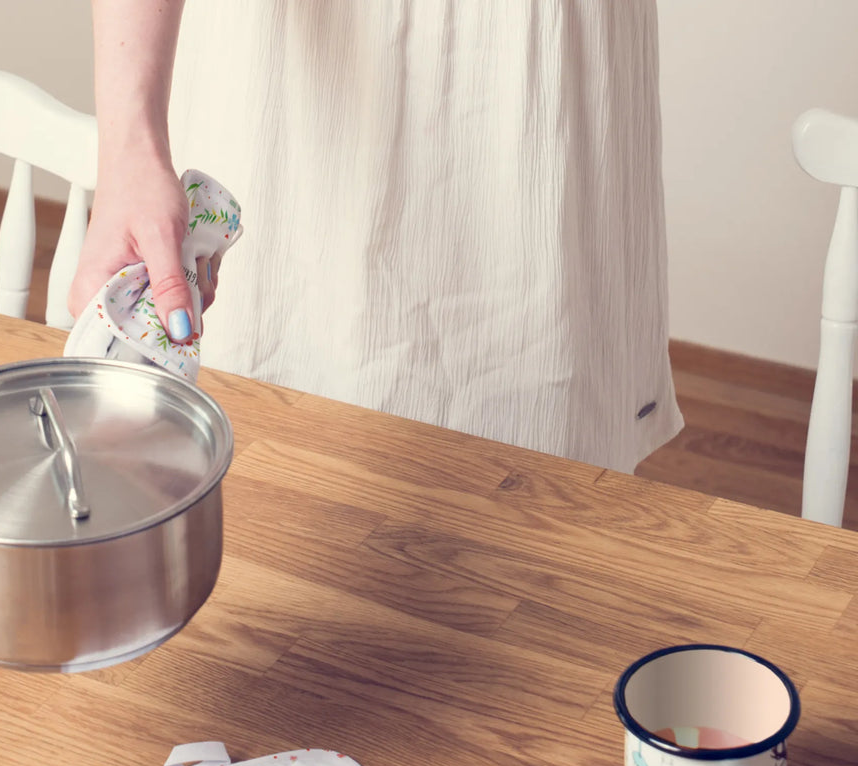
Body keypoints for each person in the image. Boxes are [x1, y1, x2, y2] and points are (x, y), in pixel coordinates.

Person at [69, 0, 683, 473]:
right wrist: (128, 157)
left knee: (541, 485)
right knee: (255, 472)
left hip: (535, 72)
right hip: (292, 79)